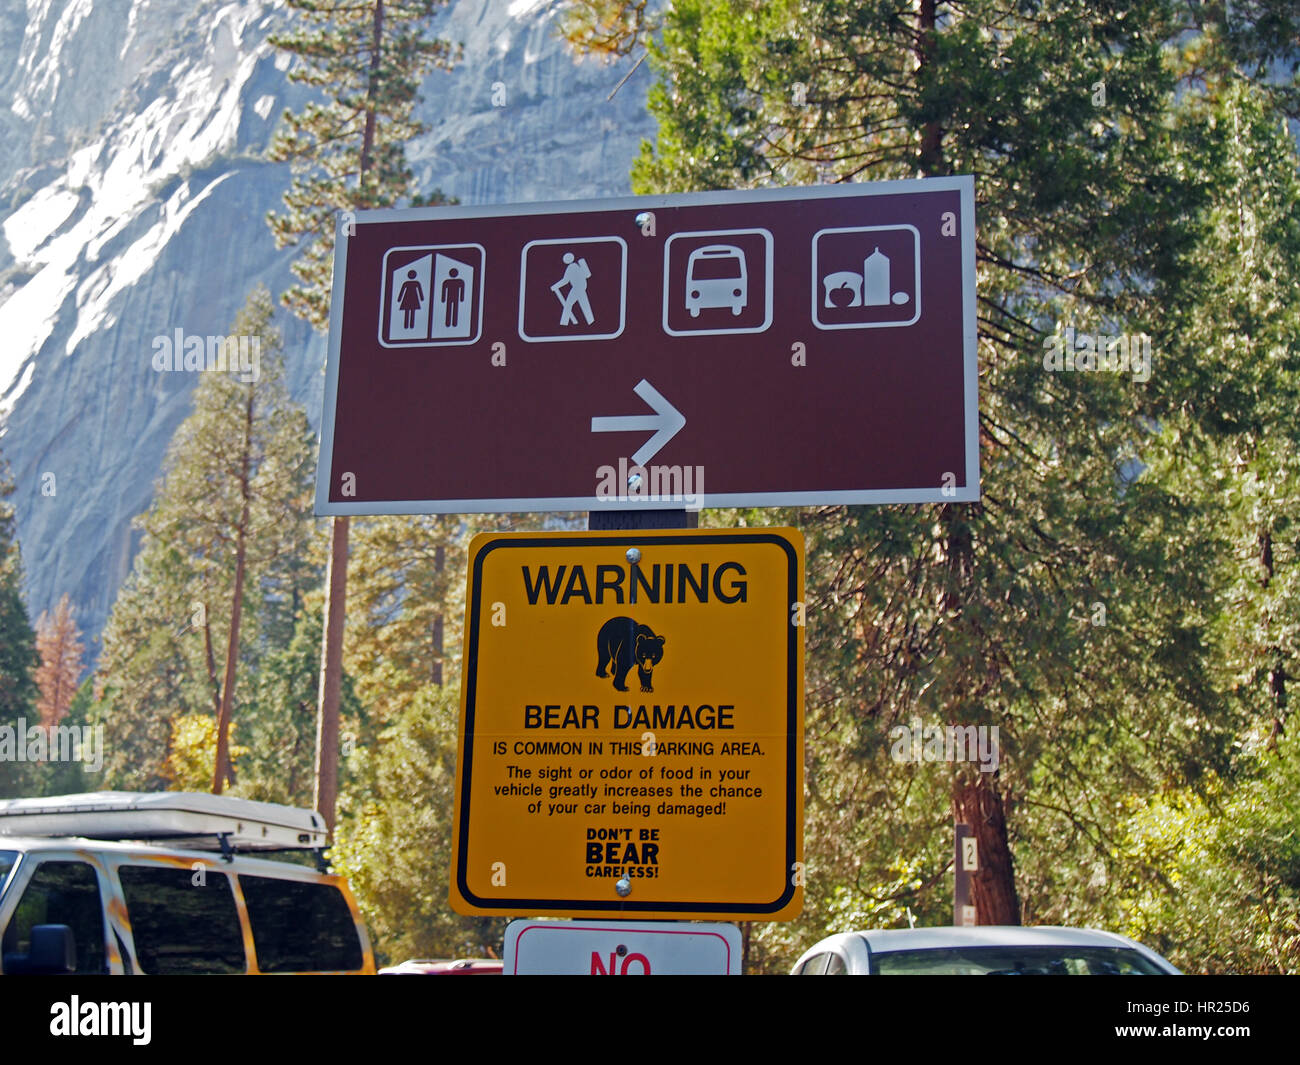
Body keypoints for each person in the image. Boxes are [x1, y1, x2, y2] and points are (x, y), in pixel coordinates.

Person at [550, 251, 594, 326]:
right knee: (584, 304)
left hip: (577, 288)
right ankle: (591, 321)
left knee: (568, 304)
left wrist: (555, 286)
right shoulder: (577, 266)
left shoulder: (571, 267)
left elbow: (565, 280)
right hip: (582, 287)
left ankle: (564, 323)